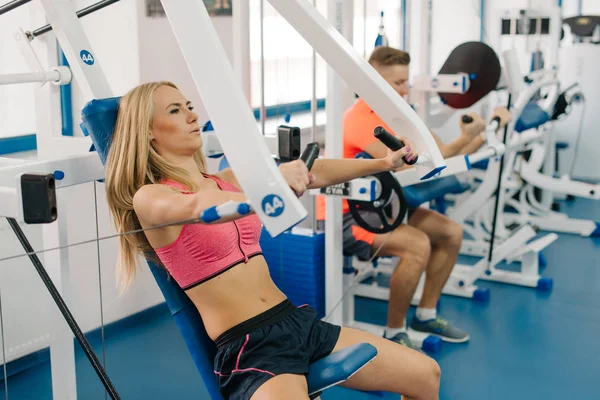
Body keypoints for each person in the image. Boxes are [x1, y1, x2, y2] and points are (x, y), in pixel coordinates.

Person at [104, 81, 441, 400]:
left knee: (426, 375)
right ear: (147, 131)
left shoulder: (227, 180)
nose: (193, 115)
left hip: (295, 321)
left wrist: (381, 163)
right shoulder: (150, 197)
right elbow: (194, 207)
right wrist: (270, 182)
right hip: (250, 346)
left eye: (189, 106)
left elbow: (315, 172)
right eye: (175, 110)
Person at [316, 46, 511, 351]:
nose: (405, 90)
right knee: (417, 245)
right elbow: (401, 162)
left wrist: (478, 134)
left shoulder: (400, 113)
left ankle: (426, 314)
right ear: (374, 84)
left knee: (450, 233)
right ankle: (394, 333)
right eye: (397, 83)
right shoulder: (359, 119)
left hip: (384, 206)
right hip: (347, 215)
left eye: (406, 82)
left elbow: (442, 154)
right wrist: (464, 140)